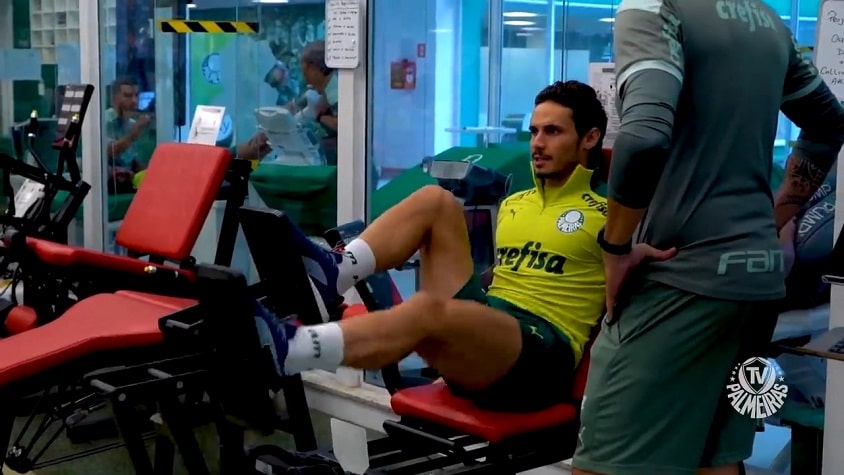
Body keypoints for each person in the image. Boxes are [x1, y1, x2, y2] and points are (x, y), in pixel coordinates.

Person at [571, 0, 844, 474]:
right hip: (756, 283)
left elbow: (644, 135)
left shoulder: (654, 7)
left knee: (603, 465)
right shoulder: (767, 22)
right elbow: (829, 123)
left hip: (681, 278)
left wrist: (615, 248)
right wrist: (777, 216)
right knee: (718, 459)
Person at [256, 81, 611, 411]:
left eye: (553, 132)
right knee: (435, 200)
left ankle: (292, 350)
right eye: (534, 131)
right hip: (490, 330)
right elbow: (501, 273)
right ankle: (336, 274)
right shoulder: (517, 203)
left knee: (426, 310)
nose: (537, 143)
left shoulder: (610, 215)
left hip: (540, 354)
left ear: (590, 138)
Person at [105, 77, 152, 193]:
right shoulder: (104, 121)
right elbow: (110, 151)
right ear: (114, 98)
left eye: (136, 96)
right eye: (127, 96)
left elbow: (131, 161)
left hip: (128, 181)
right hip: (108, 186)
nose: (134, 101)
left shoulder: (130, 124)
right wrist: (134, 132)